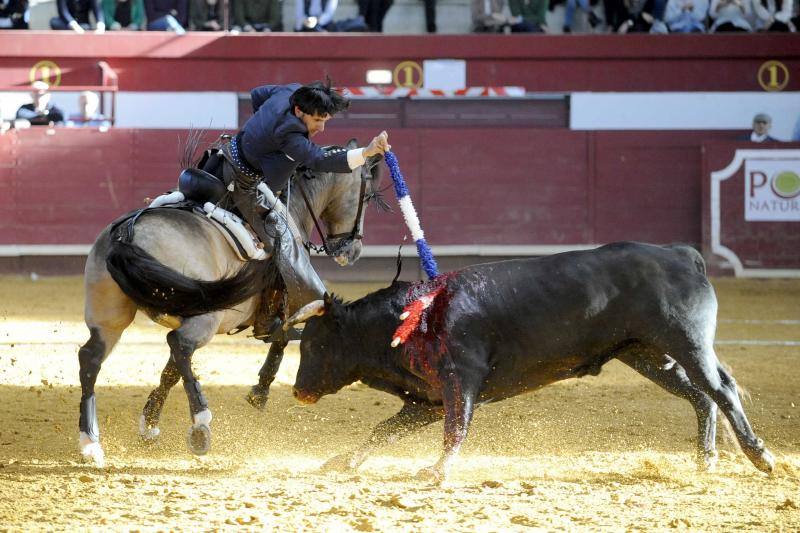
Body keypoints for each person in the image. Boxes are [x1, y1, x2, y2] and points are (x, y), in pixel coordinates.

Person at [214, 80, 390, 336]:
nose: (320, 128)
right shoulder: (290, 134)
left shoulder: (289, 91)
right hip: (246, 184)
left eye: (325, 120)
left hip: (225, 155)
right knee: (281, 244)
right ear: (299, 111)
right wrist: (366, 152)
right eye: (317, 120)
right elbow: (319, 159)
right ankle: (266, 321)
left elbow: (256, 93)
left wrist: (262, 134)